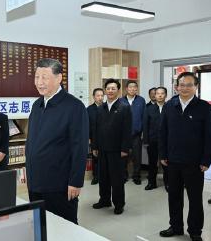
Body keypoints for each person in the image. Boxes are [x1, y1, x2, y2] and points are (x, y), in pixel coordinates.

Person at [26, 58, 88, 224]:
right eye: (37, 77)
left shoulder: (74, 106)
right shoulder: (37, 105)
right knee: (39, 226)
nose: (39, 82)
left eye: (44, 77)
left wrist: (75, 182)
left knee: (63, 229)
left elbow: (79, 147)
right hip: (35, 183)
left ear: (59, 77)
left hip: (59, 186)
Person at [159, 72, 211, 241]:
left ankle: (195, 230)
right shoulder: (169, 105)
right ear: (176, 87)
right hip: (172, 161)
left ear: (196, 87)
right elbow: (163, 132)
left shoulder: (204, 107)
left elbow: (209, 136)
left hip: (195, 163)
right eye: (181, 85)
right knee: (173, 196)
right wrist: (162, 154)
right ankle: (176, 227)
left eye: (189, 85)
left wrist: (206, 160)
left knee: (195, 199)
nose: (185, 88)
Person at [92, 78, 132, 215]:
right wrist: (95, 147)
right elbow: (96, 129)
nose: (110, 91)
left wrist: (124, 149)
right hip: (102, 149)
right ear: (105, 90)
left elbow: (127, 130)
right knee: (103, 177)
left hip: (117, 150)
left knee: (117, 179)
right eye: (108, 88)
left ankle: (119, 204)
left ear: (118, 90)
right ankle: (104, 200)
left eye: (113, 88)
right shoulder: (101, 107)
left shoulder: (124, 107)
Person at [143, 86, 168, 191]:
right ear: (155, 95)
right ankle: (151, 183)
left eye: (162, 93)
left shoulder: (170, 108)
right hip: (153, 140)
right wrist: (146, 141)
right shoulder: (149, 109)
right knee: (152, 163)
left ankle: (168, 184)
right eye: (158, 93)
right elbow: (145, 125)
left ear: (165, 95)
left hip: (167, 141)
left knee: (167, 163)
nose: (160, 95)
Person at [121, 80, 146, 185]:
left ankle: (136, 176)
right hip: (123, 135)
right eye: (130, 87)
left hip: (136, 134)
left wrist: (143, 132)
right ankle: (124, 175)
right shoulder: (121, 101)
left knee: (137, 156)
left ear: (137, 89)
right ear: (126, 89)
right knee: (123, 157)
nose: (132, 89)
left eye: (134, 87)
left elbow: (144, 117)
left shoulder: (141, 100)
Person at [87, 88, 104, 185]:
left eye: (102, 95)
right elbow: (87, 125)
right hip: (94, 138)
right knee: (95, 158)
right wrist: (89, 138)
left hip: (106, 138)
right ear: (94, 97)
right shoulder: (89, 109)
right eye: (98, 96)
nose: (100, 98)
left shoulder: (107, 107)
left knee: (106, 158)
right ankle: (96, 176)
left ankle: (104, 177)